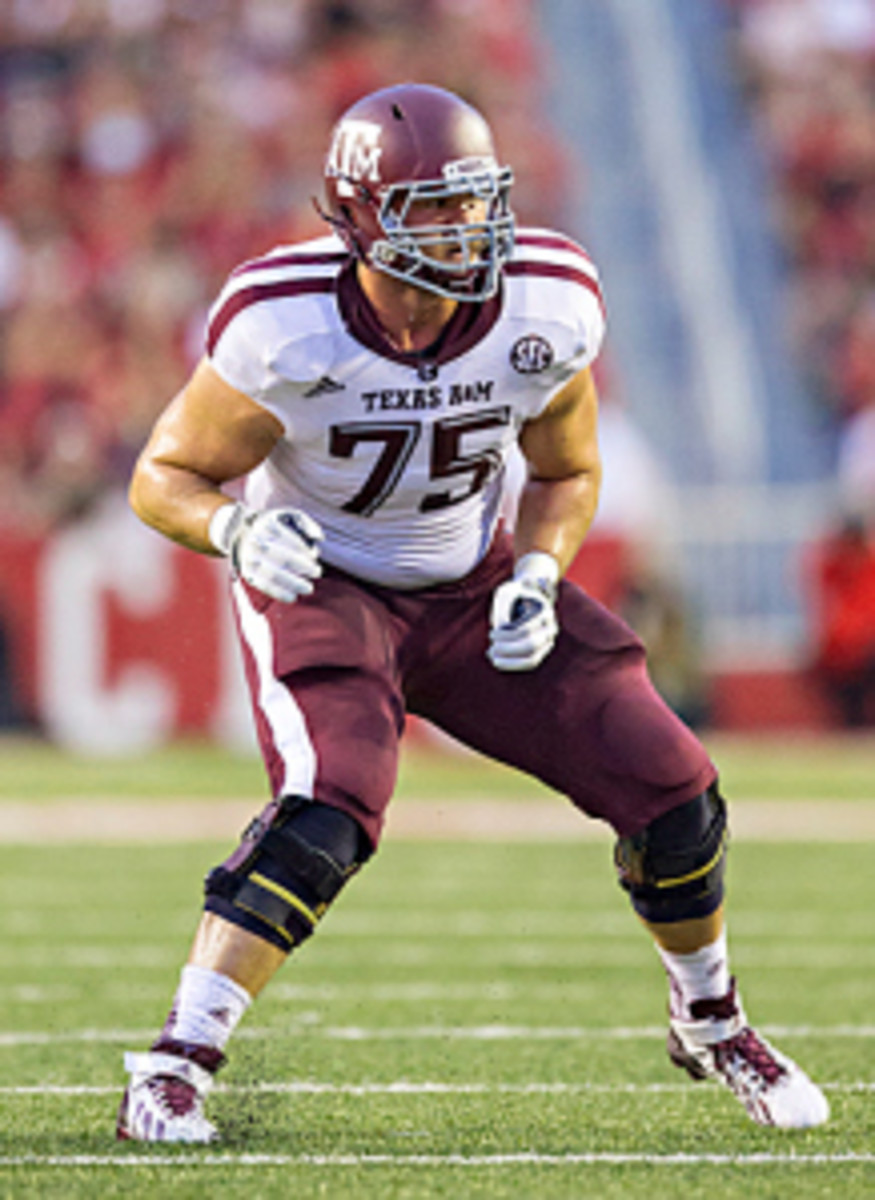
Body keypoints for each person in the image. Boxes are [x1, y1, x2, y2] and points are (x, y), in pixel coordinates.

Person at [118, 82, 828, 1141]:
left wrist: (538, 572)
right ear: (359, 214)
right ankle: (175, 1064)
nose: (469, 228)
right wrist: (233, 531)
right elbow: (163, 475)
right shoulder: (283, 322)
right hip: (326, 581)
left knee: (673, 787)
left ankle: (711, 1020)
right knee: (328, 808)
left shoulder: (546, 301)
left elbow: (566, 469)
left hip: (473, 579)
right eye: (435, 208)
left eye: (477, 199)